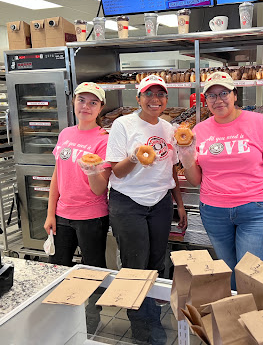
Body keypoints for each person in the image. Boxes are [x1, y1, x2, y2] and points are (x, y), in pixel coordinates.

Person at [178, 71, 263, 290]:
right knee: (228, 275)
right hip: (214, 212)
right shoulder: (199, 130)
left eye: (223, 93)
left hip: (255, 211)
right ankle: (233, 318)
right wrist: (186, 156)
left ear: (235, 95)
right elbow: (195, 180)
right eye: (211, 96)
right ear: (206, 100)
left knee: (252, 277)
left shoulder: (259, 123)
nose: (218, 100)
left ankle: (253, 320)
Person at [105, 74, 187, 345]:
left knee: (156, 263)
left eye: (160, 94)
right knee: (135, 267)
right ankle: (144, 334)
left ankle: (149, 316)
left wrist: (180, 204)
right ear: (138, 98)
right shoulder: (123, 124)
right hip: (128, 202)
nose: (155, 99)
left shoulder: (168, 128)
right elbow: (116, 170)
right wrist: (134, 157)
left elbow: (172, 168)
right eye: (149, 94)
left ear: (166, 99)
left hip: (161, 203)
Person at [44, 82, 111, 268]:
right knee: (57, 267)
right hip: (62, 215)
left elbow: (99, 189)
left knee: (93, 270)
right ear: (73, 102)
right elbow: (57, 177)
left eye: (93, 103)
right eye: (81, 100)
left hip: (92, 217)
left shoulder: (104, 139)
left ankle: (96, 298)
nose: (85, 107)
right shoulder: (65, 134)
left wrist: (92, 171)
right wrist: (50, 214)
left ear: (100, 108)